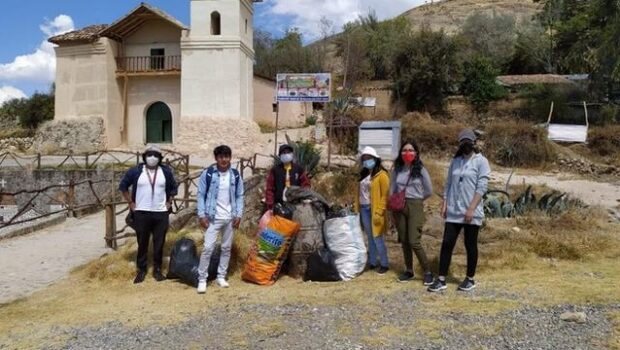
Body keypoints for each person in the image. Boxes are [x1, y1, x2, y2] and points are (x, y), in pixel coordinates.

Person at [428, 129, 491, 292]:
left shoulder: (481, 161)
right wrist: (444, 203)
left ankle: (470, 278)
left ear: (474, 143)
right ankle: (441, 279)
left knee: (470, 244)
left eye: (468, 142)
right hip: (454, 211)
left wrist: (471, 208)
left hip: (471, 212)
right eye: (462, 142)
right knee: (447, 243)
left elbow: (482, 186)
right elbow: (448, 184)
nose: (465, 145)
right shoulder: (455, 161)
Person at [119, 145, 178, 284]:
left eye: (156, 155)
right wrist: (130, 203)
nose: (152, 158)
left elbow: (173, 188)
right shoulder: (136, 171)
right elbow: (123, 186)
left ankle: (157, 270)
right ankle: (141, 270)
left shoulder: (165, 172)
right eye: (149, 155)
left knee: (159, 242)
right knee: (142, 242)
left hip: (160, 213)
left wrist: (169, 202)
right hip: (141, 212)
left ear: (160, 158)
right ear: (144, 157)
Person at [196, 145, 244, 294]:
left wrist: (238, 214)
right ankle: (202, 279)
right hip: (212, 218)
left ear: (230, 158)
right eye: (221, 157)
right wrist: (201, 215)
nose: (224, 159)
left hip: (229, 218)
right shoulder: (208, 174)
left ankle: (221, 276)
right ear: (216, 158)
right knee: (208, 248)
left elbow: (239, 195)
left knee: (226, 248)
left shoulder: (235, 175)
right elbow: (200, 195)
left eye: (227, 156)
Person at [391, 140, 434, 285]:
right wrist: (391, 206)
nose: (407, 153)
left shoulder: (420, 169)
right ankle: (409, 270)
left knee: (414, 241)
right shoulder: (397, 169)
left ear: (416, 153)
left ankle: (427, 271)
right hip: (399, 206)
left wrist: (418, 200)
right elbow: (392, 188)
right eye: (404, 150)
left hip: (415, 204)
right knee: (404, 240)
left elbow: (429, 190)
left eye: (410, 150)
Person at [354, 146, 390, 274]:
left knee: (377, 237)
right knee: (369, 237)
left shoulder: (382, 175)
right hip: (364, 209)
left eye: (369, 158)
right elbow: (358, 194)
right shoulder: (363, 175)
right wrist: (356, 209)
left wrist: (380, 211)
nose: (366, 161)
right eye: (364, 158)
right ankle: (373, 262)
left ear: (375, 159)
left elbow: (386, 195)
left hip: (374, 210)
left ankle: (384, 263)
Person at [264, 144, 311, 210]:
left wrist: (305, 197)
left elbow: (305, 184)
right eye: (284, 153)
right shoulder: (275, 170)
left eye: (288, 152)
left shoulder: (298, 169)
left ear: (292, 154)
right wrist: (270, 204)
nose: (286, 154)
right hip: (279, 204)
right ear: (280, 156)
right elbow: (270, 188)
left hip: (296, 204)